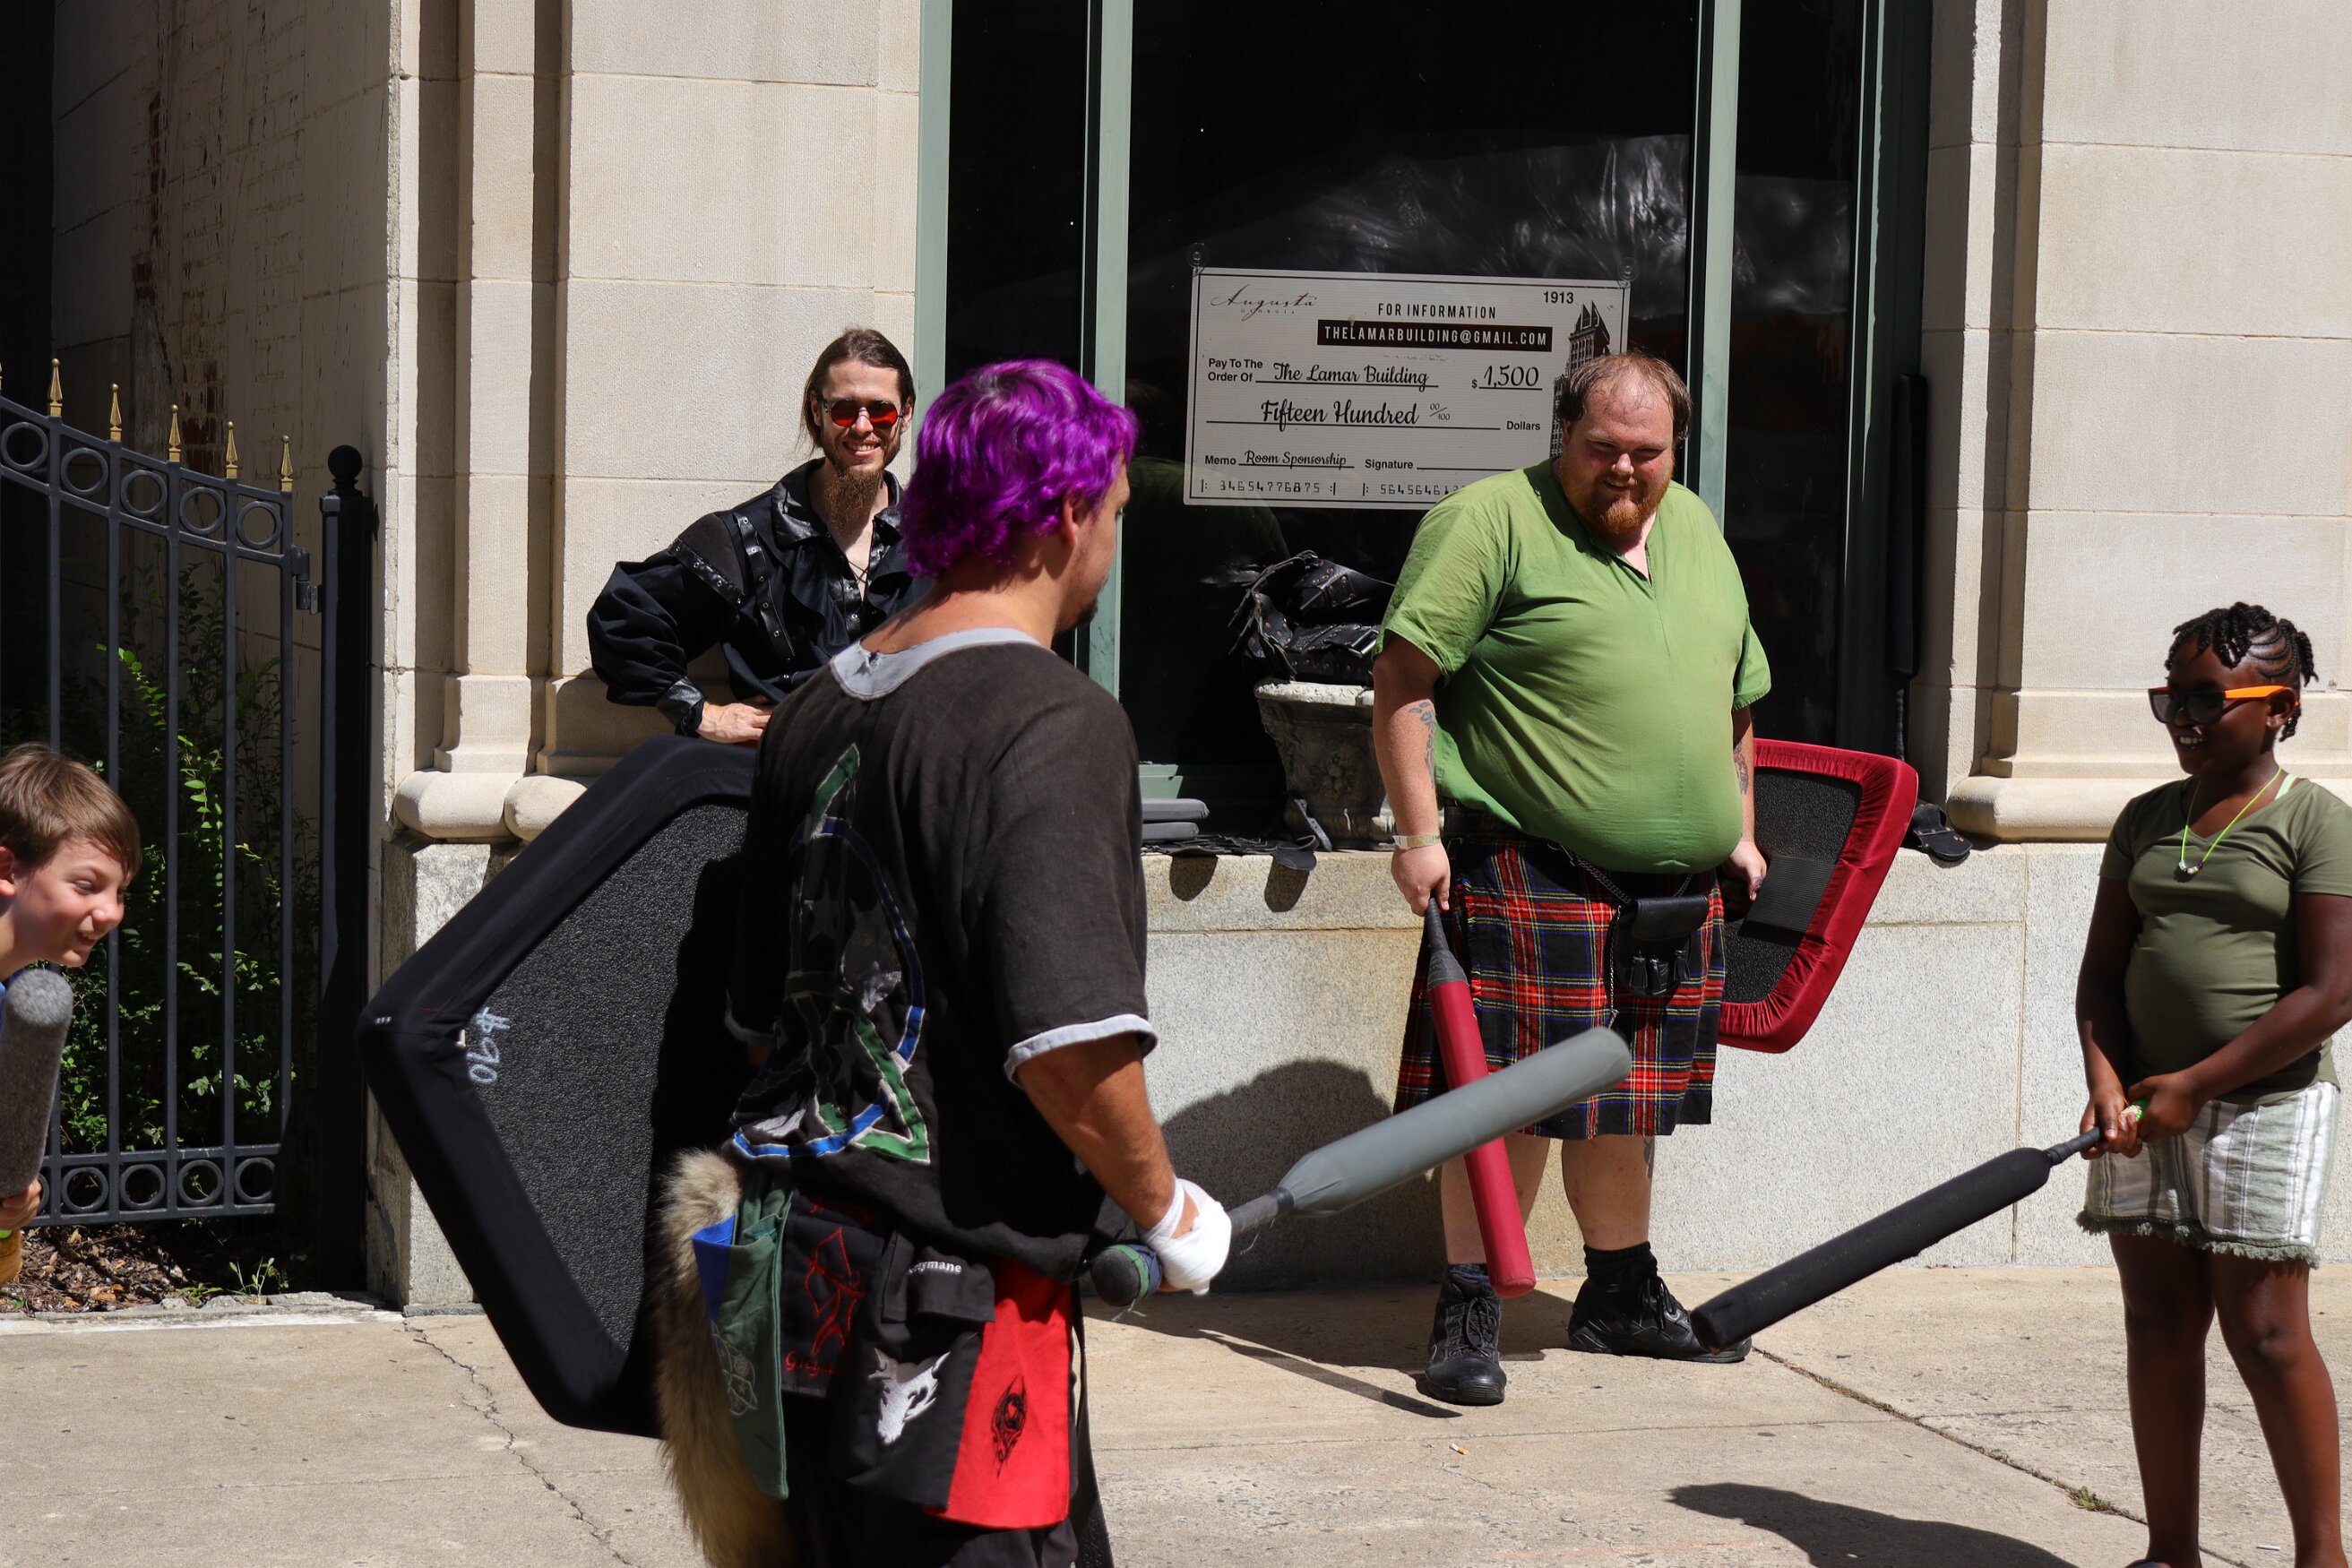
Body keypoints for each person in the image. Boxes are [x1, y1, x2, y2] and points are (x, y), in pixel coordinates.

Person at [671, 359, 1228, 1565]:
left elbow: (759, 1022)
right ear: (1066, 513)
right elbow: (1068, 1045)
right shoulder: (1050, 717)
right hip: (945, 1313)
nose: (1111, 542)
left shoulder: (816, 705)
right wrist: (1165, 1205)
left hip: (782, 1279)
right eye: (1115, 512)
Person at [1371, 349, 1771, 1406]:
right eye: (1603, 448)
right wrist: (1417, 833)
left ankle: (1620, 1293)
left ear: (1677, 448)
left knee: (1627, 1104)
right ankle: (1471, 1306)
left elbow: (1736, 698)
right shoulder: (1490, 522)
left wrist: (1740, 828)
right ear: (1563, 434)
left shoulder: (1697, 529)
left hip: (1674, 893)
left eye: (1648, 451)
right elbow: (1403, 678)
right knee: (1502, 1105)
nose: (1625, 470)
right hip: (1531, 869)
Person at [2076, 603, 2350, 1568]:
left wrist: (2195, 1083)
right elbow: (2102, 971)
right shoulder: (2146, 819)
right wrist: (2106, 1078)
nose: (2184, 720)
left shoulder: (2315, 821)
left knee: (2266, 1331)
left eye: (2206, 700)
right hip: (2143, 1108)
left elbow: (2332, 992)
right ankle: (2169, 1552)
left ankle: (2322, 1557)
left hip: (2264, 1104)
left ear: (2280, 708)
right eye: (2171, 699)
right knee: (2157, 1321)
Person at [587, 327, 926, 745]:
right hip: (787, 767)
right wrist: (700, 712)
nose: (862, 426)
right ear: (816, 410)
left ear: (905, 414)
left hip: (909, 771)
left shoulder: (939, 540)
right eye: (843, 409)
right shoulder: (749, 536)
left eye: (880, 411)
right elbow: (622, 620)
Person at [0, 745, 137, 1237]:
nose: (112, 913)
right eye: (86, 885)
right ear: (7, 870)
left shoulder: (20, 997)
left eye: (120, 892)